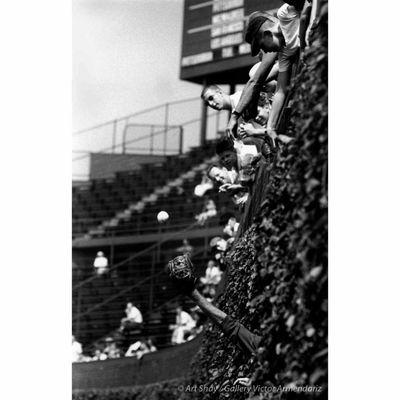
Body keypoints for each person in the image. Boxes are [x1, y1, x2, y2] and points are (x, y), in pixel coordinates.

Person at [226, 2, 311, 144]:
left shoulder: (285, 14)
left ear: (267, 34)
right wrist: (270, 127)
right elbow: (280, 91)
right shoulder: (284, 53)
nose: (266, 51)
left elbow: (307, 4)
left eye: (262, 46)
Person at [168, 255, 261, 355]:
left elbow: (231, 326)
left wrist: (192, 293)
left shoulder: (267, 345)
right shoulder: (266, 344)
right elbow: (231, 327)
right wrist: (192, 293)